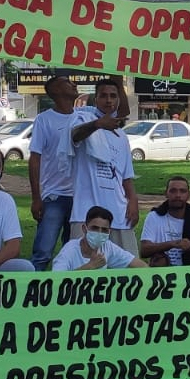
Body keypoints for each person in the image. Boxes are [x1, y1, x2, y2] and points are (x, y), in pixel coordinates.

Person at [66, 78, 139, 255]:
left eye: (113, 96)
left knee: (128, 268)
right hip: (85, 211)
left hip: (118, 213)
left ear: (118, 100)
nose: (108, 100)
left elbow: (126, 176)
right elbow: (75, 135)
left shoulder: (121, 136)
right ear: (96, 99)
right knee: (82, 267)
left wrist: (133, 202)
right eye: (103, 96)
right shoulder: (82, 118)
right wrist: (97, 124)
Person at [28, 75, 79, 270]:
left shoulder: (84, 116)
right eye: (67, 82)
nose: (74, 84)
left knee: (73, 252)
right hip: (55, 196)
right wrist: (36, 197)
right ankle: (33, 291)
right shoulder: (44, 120)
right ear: (56, 90)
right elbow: (35, 158)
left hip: (80, 197)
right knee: (43, 252)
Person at [140, 176, 190, 266]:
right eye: (173, 191)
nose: (178, 195)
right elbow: (144, 250)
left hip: (187, 274)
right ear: (166, 193)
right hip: (161, 273)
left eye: (182, 191)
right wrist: (173, 244)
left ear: (188, 195)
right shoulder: (154, 217)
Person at [52, 206, 148, 271]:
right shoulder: (69, 250)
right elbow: (56, 281)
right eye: (95, 228)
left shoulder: (107, 247)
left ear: (109, 232)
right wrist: (91, 266)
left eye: (104, 230)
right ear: (84, 229)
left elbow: (140, 265)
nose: (99, 233)